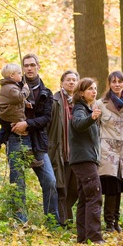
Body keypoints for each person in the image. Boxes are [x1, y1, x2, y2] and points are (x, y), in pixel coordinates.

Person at [0, 54, 60, 225]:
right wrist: (13, 125)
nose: (29, 68)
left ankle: (52, 222)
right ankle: (20, 223)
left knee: (50, 181)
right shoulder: (11, 87)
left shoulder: (45, 92)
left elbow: (47, 118)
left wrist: (27, 124)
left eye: (32, 65)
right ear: (22, 69)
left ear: (38, 66)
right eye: (26, 65)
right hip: (15, 140)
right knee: (17, 183)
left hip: (37, 141)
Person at [97, 71, 123, 232]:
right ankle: (109, 222)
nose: (117, 84)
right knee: (111, 187)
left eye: (120, 81)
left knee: (119, 187)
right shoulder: (100, 103)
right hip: (107, 150)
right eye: (114, 82)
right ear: (109, 84)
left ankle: (116, 221)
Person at [69, 77, 104, 244]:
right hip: (84, 160)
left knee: (85, 198)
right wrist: (92, 118)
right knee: (95, 196)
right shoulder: (79, 109)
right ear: (81, 93)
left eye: (95, 88)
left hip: (86, 159)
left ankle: (83, 237)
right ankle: (94, 237)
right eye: (90, 88)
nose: (94, 91)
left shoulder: (87, 109)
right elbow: (78, 125)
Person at [0, 63, 42, 167]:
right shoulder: (10, 88)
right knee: (23, 132)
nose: (21, 76)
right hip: (11, 115)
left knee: (4, 129)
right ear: (12, 76)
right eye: (19, 73)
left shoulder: (11, 86)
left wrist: (26, 104)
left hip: (8, 113)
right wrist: (26, 89)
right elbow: (19, 97)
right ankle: (29, 158)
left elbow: (16, 100)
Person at [47, 70, 80, 227]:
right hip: (59, 151)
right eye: (68, 80)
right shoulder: (54, 101)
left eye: (74, 80)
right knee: (61, 187)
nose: (71, 82)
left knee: (75, 189)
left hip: (78, 154)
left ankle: (67, 217)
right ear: (62, 83)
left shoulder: (81, 101)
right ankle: (63, 222)